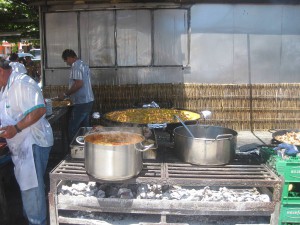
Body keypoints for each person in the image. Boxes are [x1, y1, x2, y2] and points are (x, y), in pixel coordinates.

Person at [0, 59, 53, 225]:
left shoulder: (22, 83)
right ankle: (32, 217)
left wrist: (15, 128)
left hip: (33, 144)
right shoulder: (4, 87)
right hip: (20, 146)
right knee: (28, 188)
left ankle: (36, 221)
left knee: (32, 189)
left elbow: (40, 109)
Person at [59, 49, 94, 142]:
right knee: (85, 127)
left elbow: (79, 84)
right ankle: (86, 147)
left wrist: (66, 94)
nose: (66, 63)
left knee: (72, 128)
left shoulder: (76, 66)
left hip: (82, 102)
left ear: (70, 58)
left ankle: (74, 149)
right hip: (88, 100)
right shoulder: (83, 64)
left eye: (66, 60)